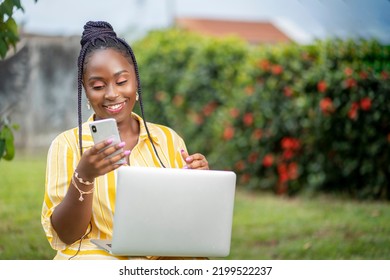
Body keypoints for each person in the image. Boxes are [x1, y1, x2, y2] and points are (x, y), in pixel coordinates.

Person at [41, 21, 209, 260]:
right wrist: (84, 176)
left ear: (136, 81)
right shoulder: (67, 145)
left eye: (121, 82)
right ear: (86, 91)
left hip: (161, 255)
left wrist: (201, 183)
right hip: (94, 259)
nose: (112, 94)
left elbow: (190, 221)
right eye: (98, 86)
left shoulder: (168, 139)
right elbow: (67, 235)